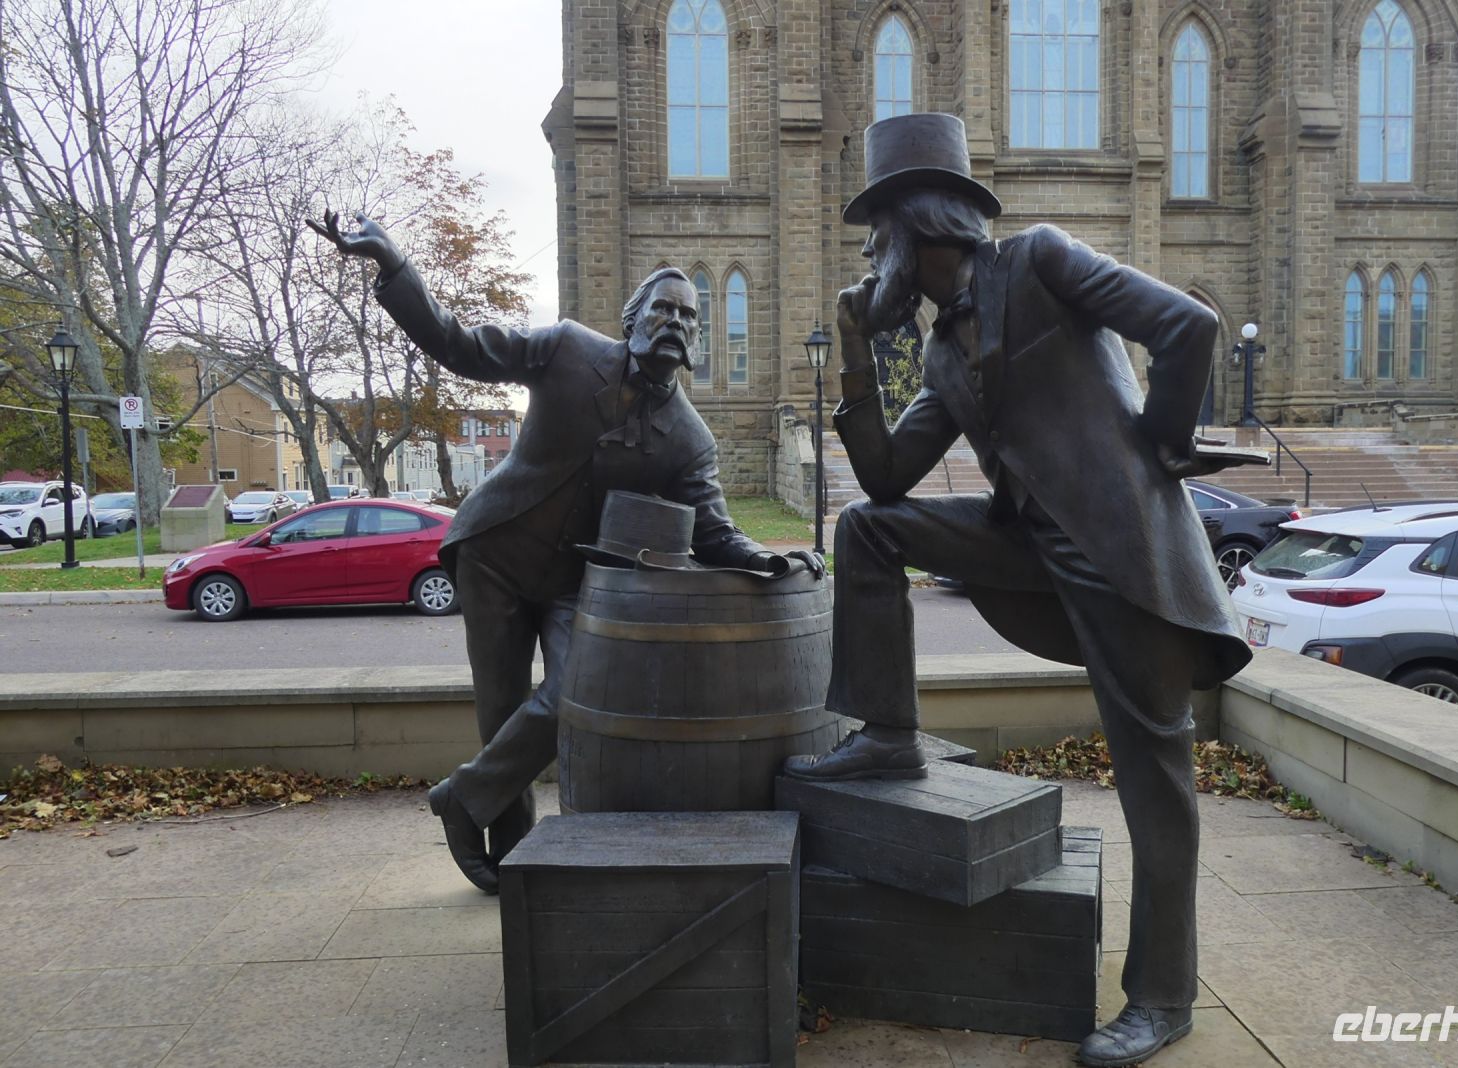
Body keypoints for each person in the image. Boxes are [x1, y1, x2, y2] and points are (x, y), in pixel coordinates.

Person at [782, 114, 1252, 1067]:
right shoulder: (941, 354)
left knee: (1156, 785)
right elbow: (885, 477)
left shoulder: (1039, 260)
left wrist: (1163, 447)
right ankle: (887, 734)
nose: (867, 257)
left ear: (916, 226)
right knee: (868, 528)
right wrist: (856, 350)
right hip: (1031, 549)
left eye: (875, 236)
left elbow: (1188, 325)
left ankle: (1163, 997)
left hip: (1125, 559)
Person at [309, 211, 816, 893]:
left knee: (575, 692)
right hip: (494, 554)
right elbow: (460, 347)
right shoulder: (567, 349)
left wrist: (771, 558)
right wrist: (396, 268)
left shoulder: (689, 438)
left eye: (689, 316)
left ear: (699, 339)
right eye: (662, 309)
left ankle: (462, 799)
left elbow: (713, 532)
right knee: (501, 712)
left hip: (573, 581)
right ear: (633, 319)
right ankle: (512, 855)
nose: (675, 322)